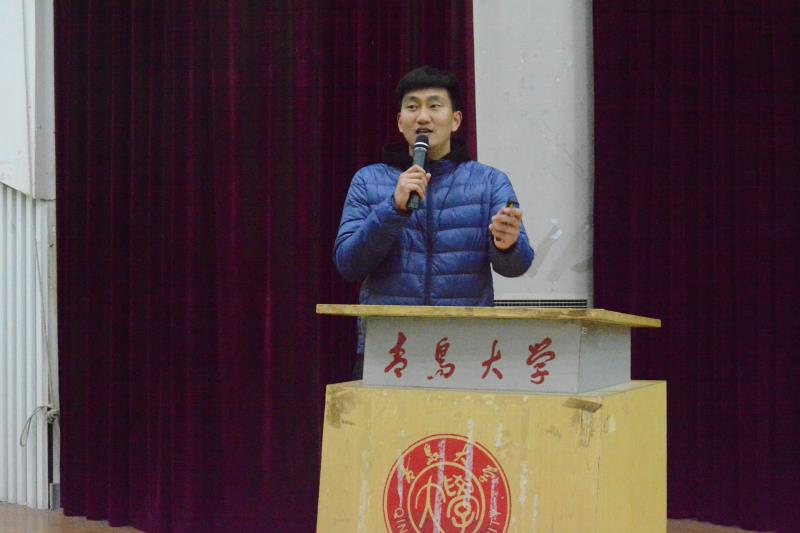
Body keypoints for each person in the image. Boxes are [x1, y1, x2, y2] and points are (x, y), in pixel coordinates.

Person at [334, 65, 534, 376]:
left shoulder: (489, 182)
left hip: (466, 350)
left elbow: (516, 266)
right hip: (389, 350)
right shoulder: (368, 180)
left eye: (435, 106)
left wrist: (507, 244)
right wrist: (393, 208)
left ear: (456, 120)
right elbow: (348, 264)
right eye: (412, 107)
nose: (423, 117)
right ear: (400, 122)